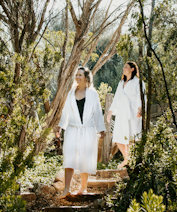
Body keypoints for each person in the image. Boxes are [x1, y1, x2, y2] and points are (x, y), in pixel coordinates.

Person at [55, 66, 106, 196]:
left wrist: (101, 129)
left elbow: (98, 113)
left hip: (87, 130)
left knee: (85, 157)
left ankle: (83, 186)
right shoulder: (71, 93)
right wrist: (60, 127)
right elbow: (65, 112)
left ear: (86, 77)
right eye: (76, 75)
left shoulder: (93, 94)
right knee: (69, 157)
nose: (77, 77)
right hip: (72, 129)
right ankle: (66, 189)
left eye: (80, 75)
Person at [106, 61, 145, 169]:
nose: (123, 68)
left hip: (133, 112)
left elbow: (142, 96)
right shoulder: (120, 83)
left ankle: (130, 160)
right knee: (118, 137)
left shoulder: (138, 82)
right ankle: (127, 158)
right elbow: (117, 98)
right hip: (122, 112)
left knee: (131, 137)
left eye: (126, 67)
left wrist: (141, 109)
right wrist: (110, 112)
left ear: (132, 69)